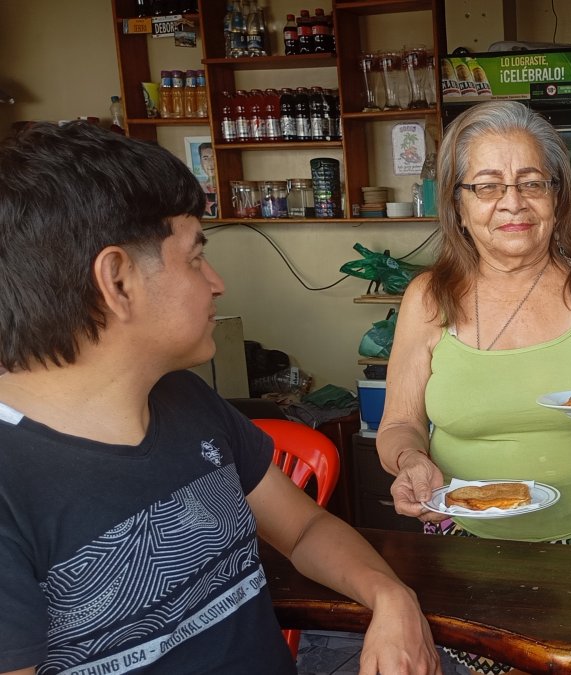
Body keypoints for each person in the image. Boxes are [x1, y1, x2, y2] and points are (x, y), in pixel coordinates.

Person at [0, 122, 439, 675]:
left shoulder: (186, 400)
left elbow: (304, 529)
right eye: (193, 257)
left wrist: (391, 597)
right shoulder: (11, 483)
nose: (216, 282)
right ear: (117, 280)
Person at [373, 101, 571, 674]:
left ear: (558, 196)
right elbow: (399, 424)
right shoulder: (427, 298)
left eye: (532, 183)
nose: (512, 203)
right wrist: (408, 460)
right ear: (457, 201)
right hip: (466, 542)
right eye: (487, 186)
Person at [197, 141, 218, 218]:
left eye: (213, 157)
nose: (210, 162)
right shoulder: (198, 189)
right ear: (201, 162)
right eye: (205, 158)